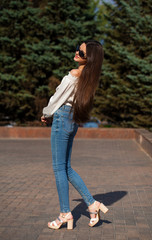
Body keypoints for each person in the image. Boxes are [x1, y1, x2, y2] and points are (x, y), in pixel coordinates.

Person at [41, 40, 108, 230]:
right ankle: (92, 204)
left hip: (62, 118)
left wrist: (46, 113)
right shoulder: (88, 79)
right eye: (78, 49)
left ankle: (65, 214)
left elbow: (57, 98)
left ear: (90, 59)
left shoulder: (73, 75)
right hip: (72, 119)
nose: (77, 53)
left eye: (82, 53)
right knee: (66, 168)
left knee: (58, 169)